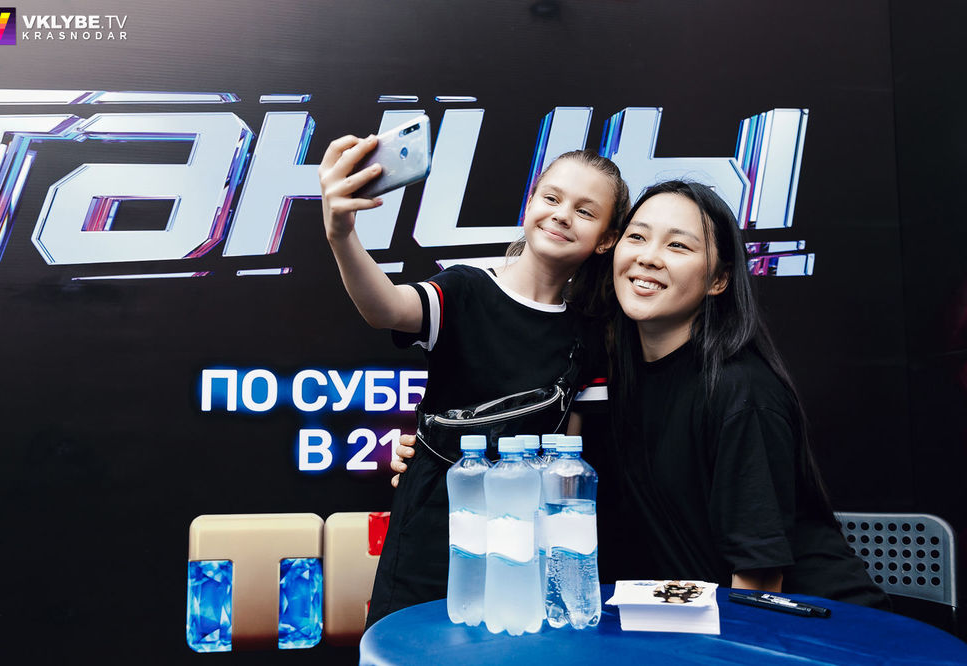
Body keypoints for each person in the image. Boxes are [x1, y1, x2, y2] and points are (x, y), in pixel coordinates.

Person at [319, 135, 630, 626]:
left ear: (607, 239)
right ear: (530, 203)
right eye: (551, 198)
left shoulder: (590, 334)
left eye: (585, 211)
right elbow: (387, 309)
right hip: (433, 526)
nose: (562, 215)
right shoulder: (466, 287)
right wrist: (341, 234)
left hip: (524, 547)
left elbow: (570, 457)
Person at [603, 180, 887, 607]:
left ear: (719, 279)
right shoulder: (625, 378)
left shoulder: (741, 391)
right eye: (637, 237)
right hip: (706, 619)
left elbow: (759, 577)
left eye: (678, 246)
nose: (648, 257)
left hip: (818, 623)